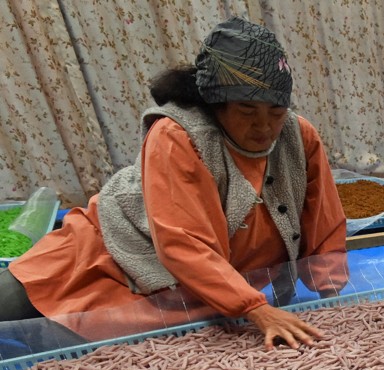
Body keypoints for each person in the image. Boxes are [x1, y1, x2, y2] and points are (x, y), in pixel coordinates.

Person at [0, 16, 347, 351]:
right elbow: (182, 242)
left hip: (201, 285)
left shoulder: (298, 135)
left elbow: (324, 220)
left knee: (103, 347)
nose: (264, 127)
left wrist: (333, 297)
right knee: (24, 315)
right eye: (246, 110)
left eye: (275, 111)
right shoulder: (178, 135)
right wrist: (254, 308)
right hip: (105, 253)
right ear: (216, 103)